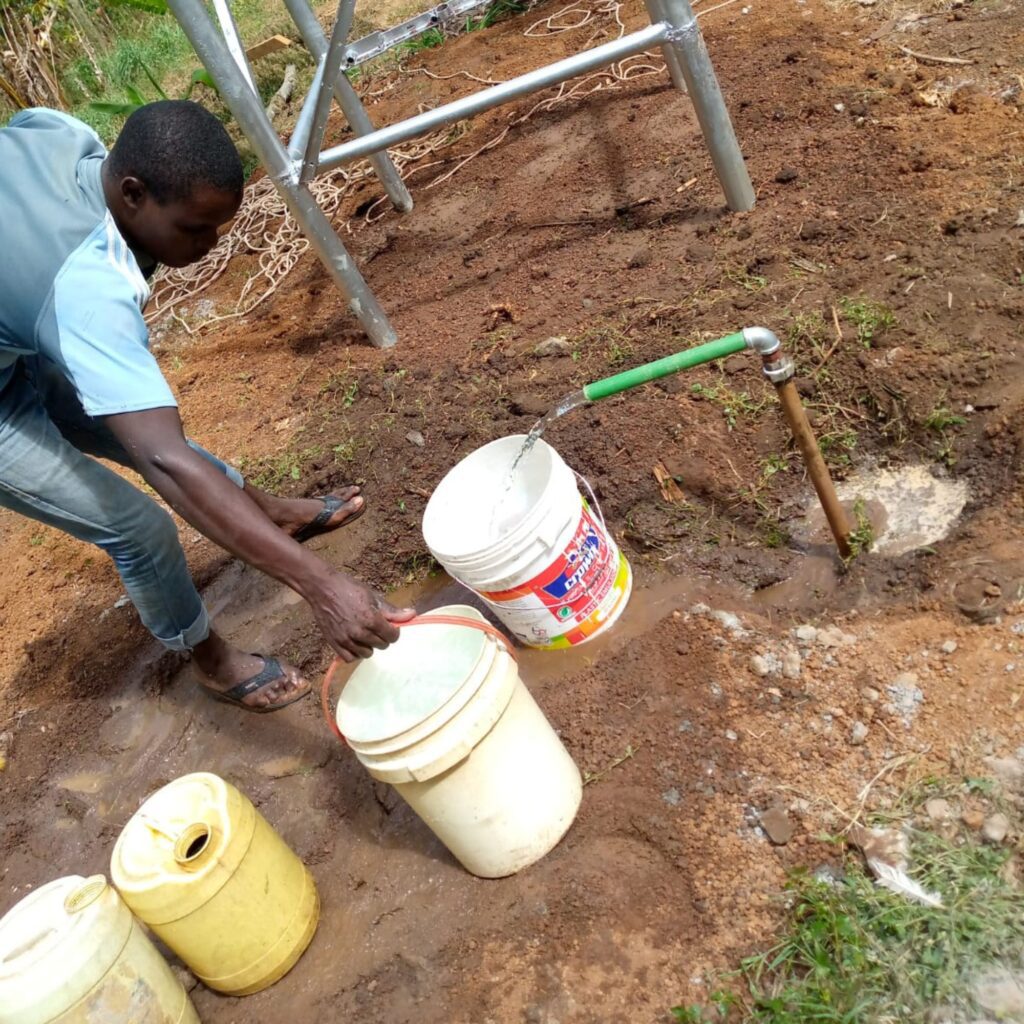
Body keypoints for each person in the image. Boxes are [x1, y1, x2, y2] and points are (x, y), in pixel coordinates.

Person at [0, 100, 413, 713]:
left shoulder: (63, 136)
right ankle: (211, 661)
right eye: (194, 230)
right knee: (139, 526)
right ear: (133, 192)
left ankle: (270, 513)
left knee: (137, 432)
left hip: (17, 331)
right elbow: (164, 460)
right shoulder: (84, 289)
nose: (211, 245)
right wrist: (321, 584)